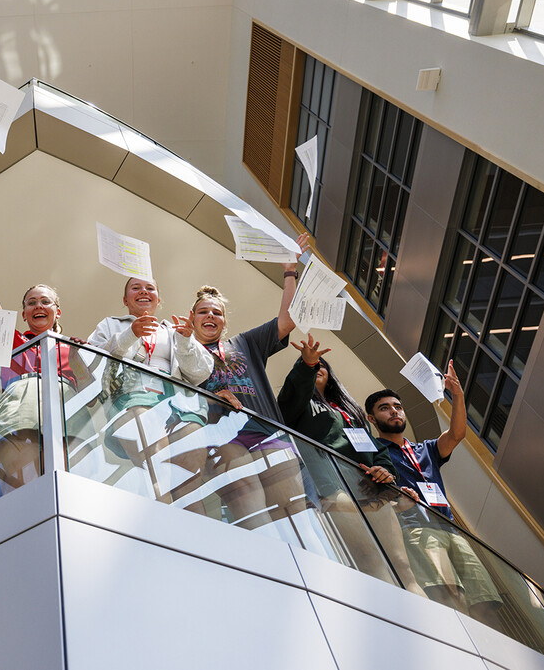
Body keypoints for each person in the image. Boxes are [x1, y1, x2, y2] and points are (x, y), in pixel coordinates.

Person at [277, 335, 425, 596]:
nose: (317, 366)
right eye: (311, 364)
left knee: (403, 567)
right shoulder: (299, 405)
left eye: (322, 364)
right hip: (332, 484)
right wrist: (305, 365)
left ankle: (429, 631)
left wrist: (385, 471)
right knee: (369, 561)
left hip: (370, 488)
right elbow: (288, 400)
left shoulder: (349, 409)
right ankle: (393, 624)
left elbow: (376, 448)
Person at [0, 204, 82, 488]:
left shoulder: (76, 349)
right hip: (18, 422)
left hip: (66, 422)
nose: (38, 306)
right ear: (23, 314)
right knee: (24, 490)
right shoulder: (14, 342)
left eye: (45, 301)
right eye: (31, 303)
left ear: (57, 311)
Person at [365, 365, 503, 627]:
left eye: (398, 406)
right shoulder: (373, 450)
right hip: (415, 527)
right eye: (384, 408)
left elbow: (456, 435)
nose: (394, 410)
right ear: (372, 419)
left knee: (485, 603)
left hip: (451, 529)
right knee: (451, 597)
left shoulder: (425, 448)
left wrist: (458, 395)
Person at [187, 234, 307, 531]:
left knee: (293, 514)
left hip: (266, 430)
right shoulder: (182, 350)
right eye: (203, 311)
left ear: (225, 322)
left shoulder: (245, 342)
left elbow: (289, 318)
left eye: (217, 312)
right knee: (253, 512)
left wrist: (289, 270)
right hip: (224, 435)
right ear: (191, 318)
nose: (210, 316)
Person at [88, 276, 214, 506]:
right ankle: (163, 528)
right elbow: (92, 362)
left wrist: (186, 342)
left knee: (190, 481)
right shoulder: (110, 324)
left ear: (159, 299)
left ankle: (194, 536)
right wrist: (130, 335)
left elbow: (201, 373)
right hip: (133, 395)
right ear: (125, 299)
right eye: (136, 288)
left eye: (150, 288)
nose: (143, 291)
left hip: (179, 404)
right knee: (155, 467)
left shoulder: (175, 329)